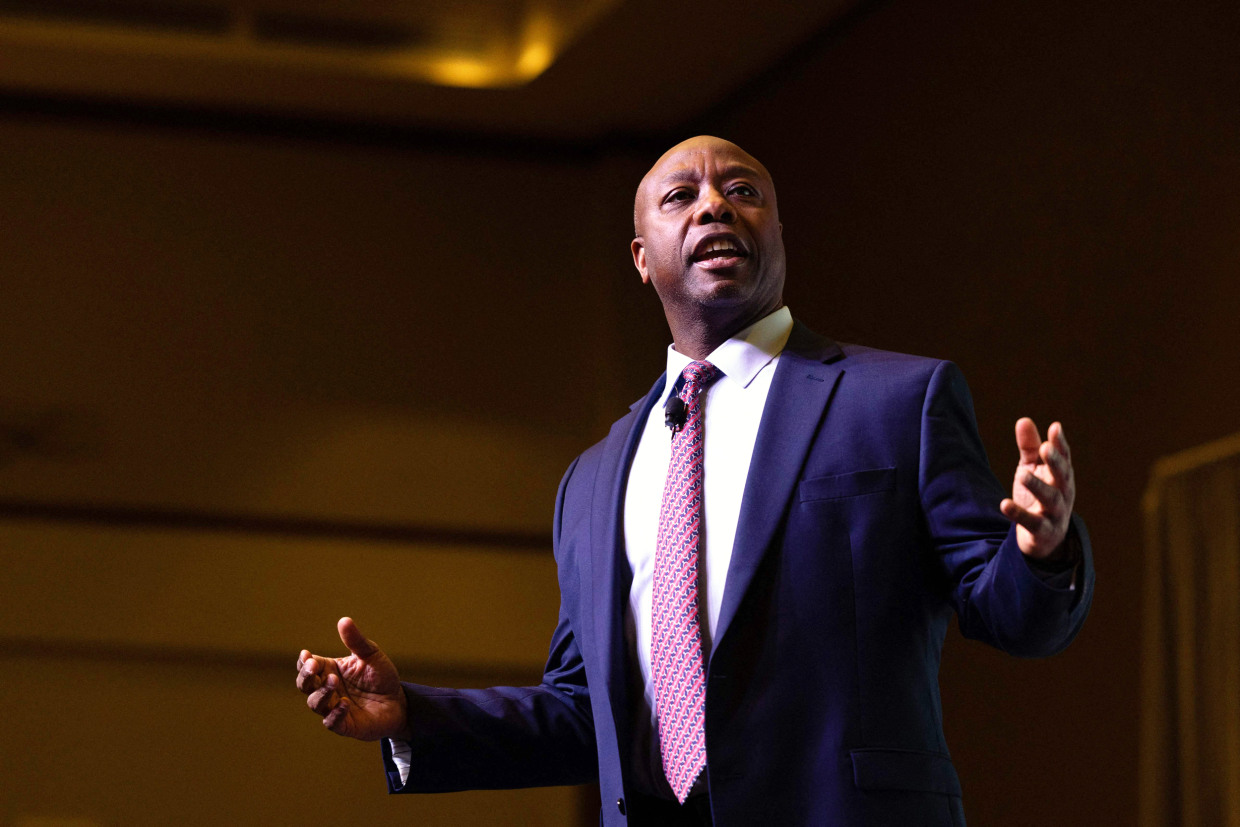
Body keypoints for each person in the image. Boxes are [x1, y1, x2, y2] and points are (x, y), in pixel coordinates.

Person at [296, 136, 1093, 826]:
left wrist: (1043, 547)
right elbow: (587, 711)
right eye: (683, 196)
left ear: (777, 232)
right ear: (642, 257)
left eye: (742, 192)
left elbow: (1012, 613)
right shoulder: (592, 478)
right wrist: (415, 718)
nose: (715, 206)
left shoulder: (897, 401)